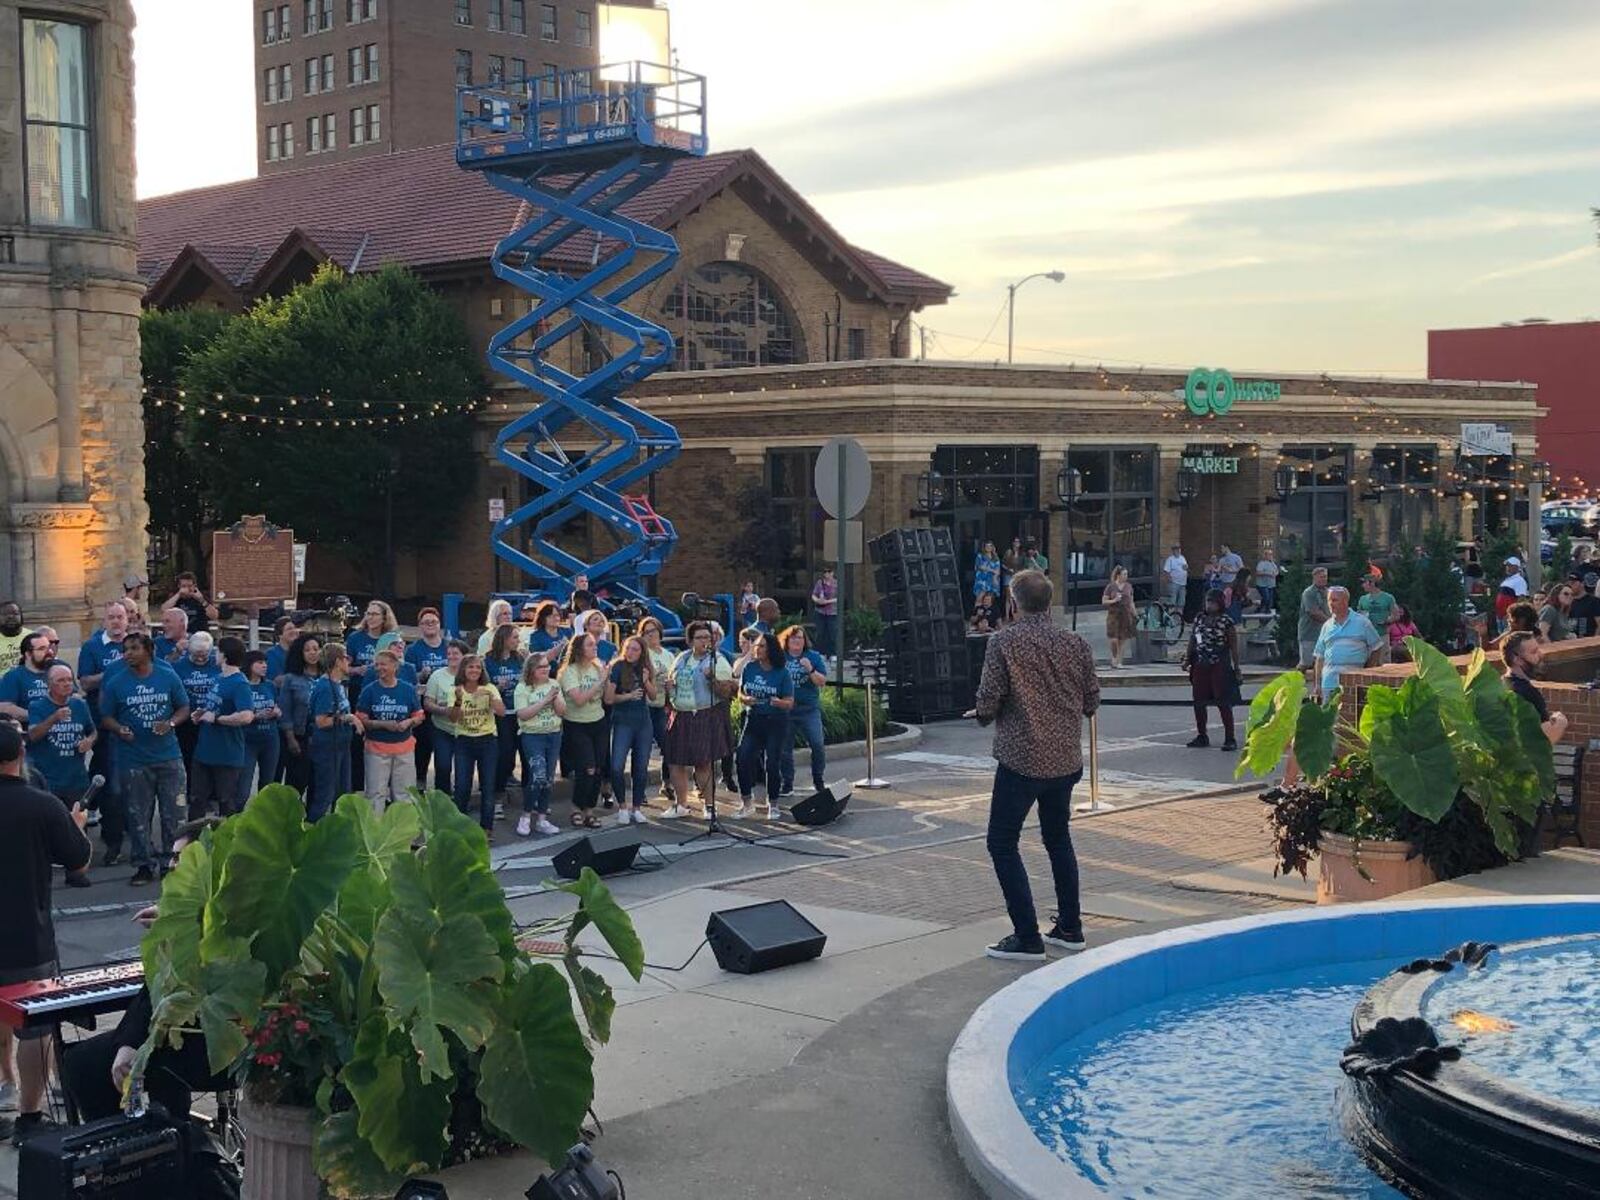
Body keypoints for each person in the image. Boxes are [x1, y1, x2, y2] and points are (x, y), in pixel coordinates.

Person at [968, 569, 1098, 962]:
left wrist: (981, 713)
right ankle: (1070, 927)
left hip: (1021, 760)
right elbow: (1091, 701)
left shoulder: (1004, 641)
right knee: (1058, 838)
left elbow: (989, 701)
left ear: (1014, 601)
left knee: (1002, 842)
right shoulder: (1074, 643)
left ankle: (1026, 935)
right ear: (1049, 600)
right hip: (1064, 759)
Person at [0, 722, 91, 1142]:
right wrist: (75, 824)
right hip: (27, 937)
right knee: (36, 1027)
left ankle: (6, 1092)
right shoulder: (42, 805)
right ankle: (29, 1116)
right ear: (20, 753)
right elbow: (79, 863)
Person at [100, 632, 190, 885]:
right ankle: (143, 865)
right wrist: (119, 729)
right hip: (134, 760)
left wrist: (171, 722)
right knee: (138, 816)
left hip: (169, 757)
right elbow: (106, 716)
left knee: (175, 815)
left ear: (148, 650)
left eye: (133, 649)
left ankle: (172, 864)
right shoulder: (116, 682)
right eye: (125, 649)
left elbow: (184, 707)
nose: (127, 654)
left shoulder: (168, 675)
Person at [25, 664, 95, 891]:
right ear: (49, 685)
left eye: (69, 680)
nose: (67, 684)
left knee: (78, 825)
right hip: (49, 777)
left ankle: (76, 871)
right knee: (46, 830)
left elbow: (92, 731)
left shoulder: (79, 705)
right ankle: (42, 873)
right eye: (61, 681)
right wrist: (54, 718)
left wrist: (89, 742)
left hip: (76, 777)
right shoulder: (38, 706)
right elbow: (33, 736)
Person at [662, 621, 734, 819]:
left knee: (702, 763)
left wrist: (713, 679)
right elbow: (673, 681)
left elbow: (727, 691)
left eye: (707, 638)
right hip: (680, 714)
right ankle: (681, 804)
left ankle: (709, 806)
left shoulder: (718, 660)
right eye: (700, 637)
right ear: (691, 640)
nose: (704, 641)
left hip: (703, 714)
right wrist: (670, 688)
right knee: (675, 761)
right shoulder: (682, 658)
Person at [190, 636, 255, 819]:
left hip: (226, 754)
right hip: (204, 751)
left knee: (226, 802)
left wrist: (218, 719)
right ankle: (192, 843)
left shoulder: (239, 683)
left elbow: (246, 715)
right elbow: (215, 707)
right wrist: (202, 713)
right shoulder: (218, 678)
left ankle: (225, 844)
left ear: (224, 655)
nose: (214, 654)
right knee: (196, 800)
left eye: (217, 651)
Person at [734, 630, 794, 819]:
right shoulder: (750, 668)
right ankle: (746, 802)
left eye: (761, 646)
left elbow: (789, 702)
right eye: (756, 645)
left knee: (772, 762)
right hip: (754, 719)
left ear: (771, 649)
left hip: (776, 721)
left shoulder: (782, 673)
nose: (757, 649)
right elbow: (740, 693)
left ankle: (773, 804)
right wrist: (746, 699)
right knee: (742, 757)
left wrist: (778, 702)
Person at [356, 646, 422, 813]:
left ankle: (404, 835)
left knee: (404, 795)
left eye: (383, 664)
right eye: (376, 665)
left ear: (395, 666)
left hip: (404, 749)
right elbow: (361, 719)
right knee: (375, 794)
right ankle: (376, 835)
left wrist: (408, 722)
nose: (379, 668)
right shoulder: (369, 690)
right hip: (376, 749)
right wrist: (382, 724)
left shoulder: (407, 689)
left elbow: (419, 716)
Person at [450, 654, 504, 836]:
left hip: (487, 740)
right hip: (464, 741)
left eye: (478, 668)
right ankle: (459, 827)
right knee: (462, 786)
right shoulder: (456, 689)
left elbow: (501, 712)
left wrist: (489, 696)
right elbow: (453, 718)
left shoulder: (490, 688)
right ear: (463, 670)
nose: (474, 671)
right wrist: (458, 700)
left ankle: (486, 828)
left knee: (488, 786)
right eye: (470, 667)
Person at [605, 636, 656, 825]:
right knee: (617, 766)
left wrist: (646, 681)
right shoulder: (617, 667)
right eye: (628, 648)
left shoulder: (645, 668)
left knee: (641, 767)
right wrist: (628, 696)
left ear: (642, 652)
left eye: (635, 649)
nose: (630, 653)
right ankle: (622, 807)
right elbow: (609, 699)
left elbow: (653, 695)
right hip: (622, 722)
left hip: (643, 722)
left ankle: (636, 807)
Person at [558, 635, 608, 828]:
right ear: (579, 649)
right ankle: (576, 807)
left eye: (595, 644)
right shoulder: (569, 671)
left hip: (599, 721)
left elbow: (607, 697)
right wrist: (600, 682)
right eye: (590, 644)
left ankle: (589, 809)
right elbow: (578, 699)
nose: (594, 647)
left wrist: (609, 681)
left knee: (597, 769)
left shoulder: (597, 667)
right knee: (586, 768)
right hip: (577, 724)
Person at [512, 654, 564, 837]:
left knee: (548, 779)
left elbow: (562, 711)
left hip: (553, 734)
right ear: (532, 670)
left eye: (547, 666)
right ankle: (526, 816)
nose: (546, 669)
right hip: (532, 736)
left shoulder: (554, 685)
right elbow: (523, 714)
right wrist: (544, 700)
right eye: (541, 667)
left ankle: (542, 819)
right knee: (538, 776)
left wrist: (555, 697)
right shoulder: (522, 688)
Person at [1183, 589, 1239, 751]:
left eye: (1213, 602)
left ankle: (1230, 738)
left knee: (1223, 702)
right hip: (1200, 664)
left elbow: (1233, 647)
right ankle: (1202, 735)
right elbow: (1193, 639)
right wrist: (1187, 659)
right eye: (1208, 601)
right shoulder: (1200, 618)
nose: (1210, 605)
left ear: (1220, 603)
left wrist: (1237, 668)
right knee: (1199, 701)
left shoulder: (1226, 621)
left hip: (1219, 665)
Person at [307, 642, 357, 822]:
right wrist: (347, 718)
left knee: (343, 794)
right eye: (346, 658)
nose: (349, 662)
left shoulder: (338, 685)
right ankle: (311, 833)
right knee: (325, 795)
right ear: (337, 661)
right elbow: (321, 720)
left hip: (341, 745)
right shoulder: (325, 687)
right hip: (328, 748)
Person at [778, 625, 828, 799]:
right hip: (786, 709)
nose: (797, 641)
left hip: (808, 709)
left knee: (817, 744)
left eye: (800, 638)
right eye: (793, 638)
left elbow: (822, 681)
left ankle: (818, 779)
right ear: (787, 641)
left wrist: (810, 669)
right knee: (785, 748)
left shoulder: (813, 657)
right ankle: (787, 783)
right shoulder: (781, 657)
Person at [1312, 586, 1384, 700]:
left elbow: (1377, 647)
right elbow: (1319, 657)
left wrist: (1367, 669)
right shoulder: (1327, 626)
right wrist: (1317, 684)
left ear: (1345, 601)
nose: (1331, 604)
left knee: (1350, 716)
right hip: (1329, 682)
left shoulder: (1362, 622)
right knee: (1329, 716)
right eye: (1329, 600)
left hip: (1353, 681)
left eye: (1335, 600)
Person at [405, 607, 448, 790]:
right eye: (425, 622)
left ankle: (444, 791)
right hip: (423, 706)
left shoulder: (449, 647)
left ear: (440, 625)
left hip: (446, 705)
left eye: (434, 622)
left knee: (444, 753)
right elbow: (407, 679)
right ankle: (420, 785)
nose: (430, 625)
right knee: (422, 749)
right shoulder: (413, 650)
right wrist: (420, 674)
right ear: (420, 627)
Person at [484, 622, 526, 802]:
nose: (518, 641)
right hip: (501, 713)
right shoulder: (488, 660)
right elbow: (483, 686)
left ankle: (529, 796)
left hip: (520, 711)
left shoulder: (519, 658)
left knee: (524, 752)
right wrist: (496, 687)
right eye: (515, 637)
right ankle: (498, 794)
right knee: (505, 753)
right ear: (504, 638)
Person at [1502, 631, 1569, 745]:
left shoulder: (1502, 684)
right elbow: (1544, 741)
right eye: (1534, 652)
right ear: (1517, 659)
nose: (1540, 654)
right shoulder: (1527, 693)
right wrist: (1561, 722)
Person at [276, 633, 322, 795]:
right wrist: (290, 738)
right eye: (307, 650)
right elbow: (285, 711)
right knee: (296, 785)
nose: (312, 653)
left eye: (316, 649)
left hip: (323, 738)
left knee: (318, 786)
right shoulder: (291, 679)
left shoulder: (327, 678)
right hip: (300, 738)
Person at [638, 617, 677, 806]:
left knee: (668, 745)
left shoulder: (668, 655)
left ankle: (667, 782)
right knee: (643, 750)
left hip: (662, 705)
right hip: (644, 706)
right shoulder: (642, 654)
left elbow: (673, 677)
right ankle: (641, 790)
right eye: (646, 632)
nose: (650, 634)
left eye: (653, 630)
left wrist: (671, 685)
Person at [423, 639, 468, 797]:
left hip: (465, 730)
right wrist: (443, 710)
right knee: (443, 766)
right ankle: (442, 800)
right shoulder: (437, 676)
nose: (451, 657)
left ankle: (461, 803)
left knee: (463, 771)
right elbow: (427, 703)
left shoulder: (472, 675)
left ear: (464, 656)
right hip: (441, 728)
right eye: (449, 654)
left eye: (455, 653)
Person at [172, 631, 221, 775]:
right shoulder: (178, 667)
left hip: (212, 721)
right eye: (196, 654)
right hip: (187, 722)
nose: (200, 658)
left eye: (204, 654)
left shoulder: (217, 665)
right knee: (189, 761)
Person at [239, 650, 281, 805]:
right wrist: (257, 715)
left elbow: (277, 706)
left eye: (265, 662)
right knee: (243, 786)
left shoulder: (270, 685)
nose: (264, 666)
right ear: (249, 665)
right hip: (248, 739)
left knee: (267, 784)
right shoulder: (242, 686)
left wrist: (276, 712)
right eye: (260, 663)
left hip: (270, 739)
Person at [0, 632, 54, 724]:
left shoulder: (60, 671)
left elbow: (74, 697)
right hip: (30, 731)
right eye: (42, 649)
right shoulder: (13, 676)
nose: (49, 652)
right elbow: (5, 707)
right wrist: (40, 717)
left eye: (49, 647)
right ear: (28, 654)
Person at [1101, 565, 1136, 670]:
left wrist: (1135, 614)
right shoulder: (1110, 587)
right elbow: (1104, 601)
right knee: (1114, 639)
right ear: (1118, 575)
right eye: (1124, 574)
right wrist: (1114, 600)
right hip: (1113, 614)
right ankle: (1114, 657)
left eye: (1127, 574)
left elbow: (1131, 601)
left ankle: (1119, 661)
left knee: (1122, 639)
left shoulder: (1129, 586)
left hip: (1125, 614)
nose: (1126, 576)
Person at [1297, 567, 1331, 669]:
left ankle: (1318, 683)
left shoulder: (1328, 592)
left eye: (1325, 577)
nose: (1324, 579)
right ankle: (1295, 679)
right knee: (1306, 663)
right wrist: (1332, 622)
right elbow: (1314, 613)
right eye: (1321, 577)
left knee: (1322, 661)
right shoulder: (1309, 593)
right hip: (1309, 633)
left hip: (1324, 633)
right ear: (1314, 577)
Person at [1358, 575, 1397, 662]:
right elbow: (1359, 615)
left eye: (1364, 583)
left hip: (1382, 635)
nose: (1363, 585)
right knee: (1369, 662)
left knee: (1384, 663)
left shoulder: (1388, 598)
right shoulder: (1362, 599)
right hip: (1366, 637)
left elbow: (1396, 615)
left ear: (1371, 583)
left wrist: (1386, 621)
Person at [811, 567, 840, 660]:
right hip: (820, 611)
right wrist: (818, 601)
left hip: (832, 612)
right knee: (820, 633)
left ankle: (833, 653)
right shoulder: (820, 583)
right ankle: (820, 653)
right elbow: (814, 595)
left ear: (832, 573)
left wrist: (827, 602)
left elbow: (839, 597)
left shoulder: (837, 584)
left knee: (832, 633)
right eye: (825, 572)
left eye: (829, 571)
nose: (826, 574)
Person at [263, 616, 298, 685]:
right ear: (280, 635)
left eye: (295, 628)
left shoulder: (300, 652)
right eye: (289, 629)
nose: (294, 631)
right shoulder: (271, 654)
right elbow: (274, 680)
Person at [0, 601, 30, 673]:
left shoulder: (32, 637)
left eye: (15, 613)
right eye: (5, 614)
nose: (10, 617)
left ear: (21, 617)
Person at [1570, 573, 1600, 638]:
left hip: (1590, 640)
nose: (1571, 585)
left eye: (1573, 583)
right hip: (1574, 641)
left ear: (1582, 583)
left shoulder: (1594, 601)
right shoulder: (1570, 602)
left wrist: (1594, 641)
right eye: (1569, 583)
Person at [973, 544, 1001, 608]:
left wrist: (995, 577)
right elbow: (979, 566)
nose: (988, 547)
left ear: (992, 547)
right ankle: (976, 614)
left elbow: (997, 571)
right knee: (979, 598)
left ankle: (987, 616)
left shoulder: (996, 558)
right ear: (984, 547)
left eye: (990, 546)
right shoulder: (980, 556)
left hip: (992, 581)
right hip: (982, 580)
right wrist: (992, 570)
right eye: (987, 546)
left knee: (989, 600)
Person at [1160, 545, 1187, 611]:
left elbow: (1185, 567)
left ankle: (1179, 618)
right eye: (1176, 549)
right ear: (1173, 551)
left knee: (1181, 602)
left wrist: (1185, 568)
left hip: (1183, 583)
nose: (1178, 550)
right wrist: (1169, 579)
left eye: (1179, 549)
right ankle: (1172, 617)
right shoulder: (1170, 559)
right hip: (1174, 583)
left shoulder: (1182, 558)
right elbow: (1166, 571)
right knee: (1172, 602)